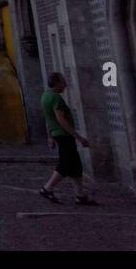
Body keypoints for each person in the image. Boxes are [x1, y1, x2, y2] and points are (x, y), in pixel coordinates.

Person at [38, 73, 97, 206]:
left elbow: (48, 118)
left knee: (75, 165)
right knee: (65, 164)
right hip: (64, 135)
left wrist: (49, 136)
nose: (65, 84)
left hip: (57, 134)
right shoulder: (56, 98)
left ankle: (80, 196)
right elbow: (61, 119)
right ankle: (47, 188)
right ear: (56, 82)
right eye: (63, 81)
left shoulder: (45, 96)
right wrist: (79, 137)